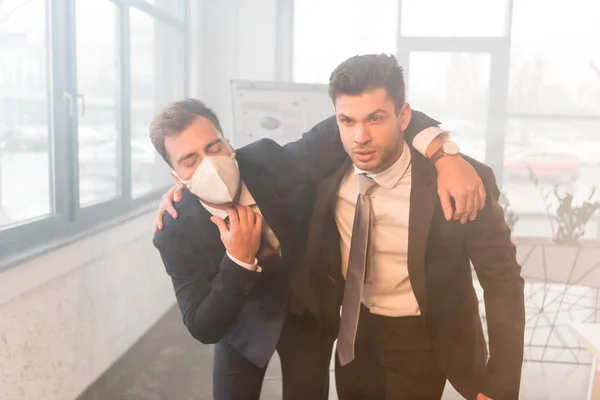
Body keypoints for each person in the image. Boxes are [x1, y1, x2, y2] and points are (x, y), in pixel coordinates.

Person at [150, 97, 470, 399]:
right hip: (240, 319)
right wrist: (238, 259)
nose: (209, 164)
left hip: (306, 309)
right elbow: (203, 326)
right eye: (190, 160)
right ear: (175, 176)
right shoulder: (175, 230)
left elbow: (374, 113)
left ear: (228, 143)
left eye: (213, 147)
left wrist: (444, 153)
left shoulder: (268, 159)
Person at [299, 54, 525, 400]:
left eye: (375, 119)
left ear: (403, 116)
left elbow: (503, 280)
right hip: (354, 335)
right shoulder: (327, 168)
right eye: (347, 121)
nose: (359, 137)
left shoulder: (460, 183)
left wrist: (500, 384)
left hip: (423, 336)